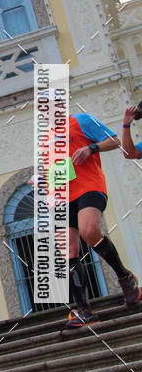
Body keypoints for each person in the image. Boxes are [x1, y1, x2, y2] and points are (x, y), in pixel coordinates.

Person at [42, 107, 142, 327]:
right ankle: (84, 309)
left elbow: (114, 141)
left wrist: (92, 148)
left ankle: (125, 278)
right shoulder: (46, 139)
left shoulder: (81, 120)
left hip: (89, 187)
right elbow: (57, 169)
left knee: (89, 232)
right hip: (61, 195)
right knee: (67, 250)